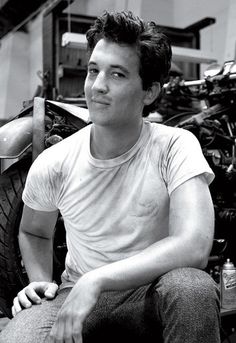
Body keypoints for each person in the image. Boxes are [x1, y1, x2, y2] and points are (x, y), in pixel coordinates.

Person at [0, 10, 220, 343]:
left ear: (149, 92)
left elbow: (195, 245)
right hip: (77, 295)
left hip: (151, 295)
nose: (97, 86)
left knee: (191, 288)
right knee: (19, 337)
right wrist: (40, 281)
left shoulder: (174, 146)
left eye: (117, 75)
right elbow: (33, 231)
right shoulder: (56, 161)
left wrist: (98, 279)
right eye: (93, 71)